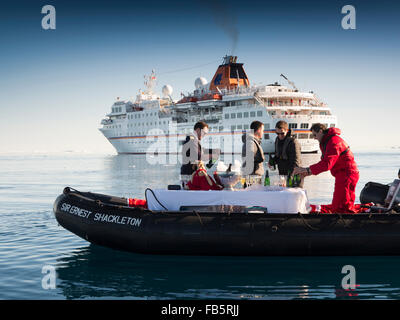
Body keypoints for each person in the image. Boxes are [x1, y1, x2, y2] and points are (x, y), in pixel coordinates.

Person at [293, 123, 359, 213]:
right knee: (339, 204)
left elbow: (327, 164)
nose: (314, 138)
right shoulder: (326, 142)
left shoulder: (334, 142)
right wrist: (307, 173)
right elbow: (323, 163)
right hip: (343, 174)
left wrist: (306, 170)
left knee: (342, 206)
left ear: (320, 131)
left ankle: (346, 220)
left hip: (347, 175)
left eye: (314, 135)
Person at [180, 121, 217, 188]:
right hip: (190, 175)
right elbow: (197, 155)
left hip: (190, 174)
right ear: (197, 130)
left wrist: (214, 155)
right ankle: (209, 165)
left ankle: (209, 165)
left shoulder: (193, 139)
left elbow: (198, 153)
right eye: (204, 133)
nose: (204, 135)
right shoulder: (192, 139)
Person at [269, 121, 302, 187]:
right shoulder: (277, 140)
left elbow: (296, 162)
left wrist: (289, 178)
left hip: (292, 177)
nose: (279, 135)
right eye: (277, 133)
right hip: (282, 175)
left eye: (282, 133)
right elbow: (278, 155)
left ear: (287, 130)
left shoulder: (293, 142)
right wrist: (273, 161)